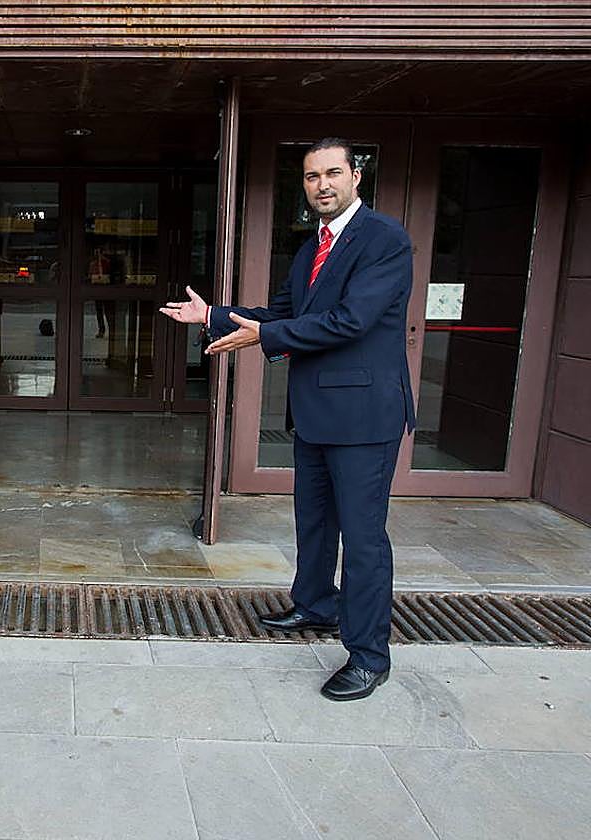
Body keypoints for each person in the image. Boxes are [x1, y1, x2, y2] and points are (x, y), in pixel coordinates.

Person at [161, 137, 414, 701]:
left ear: (355, 176)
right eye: (310, 176)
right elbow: (278, 315)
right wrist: (213, 314)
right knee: (315, 522)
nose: (321, 185)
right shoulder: (311, 248)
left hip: (364, 418)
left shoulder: (384, 240)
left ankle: (369, 656)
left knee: (364, 540)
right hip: (317, 414)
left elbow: (350, 321)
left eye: (332, 173)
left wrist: (267, 335)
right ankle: (317, 606)